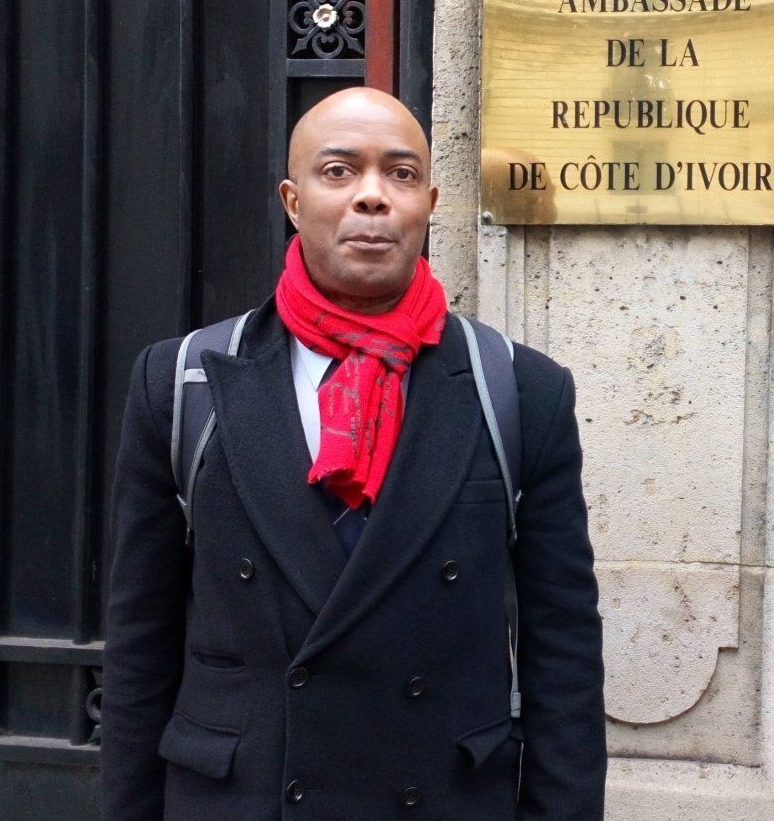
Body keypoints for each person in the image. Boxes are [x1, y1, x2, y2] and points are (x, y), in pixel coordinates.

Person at [102, 87, 606, 820]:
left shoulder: (521, 391)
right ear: (292, 200)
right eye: (338, 171)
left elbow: (563, 650)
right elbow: (139, 644)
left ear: (430, 203)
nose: (373, 195)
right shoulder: (182, 383)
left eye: (401, 174)